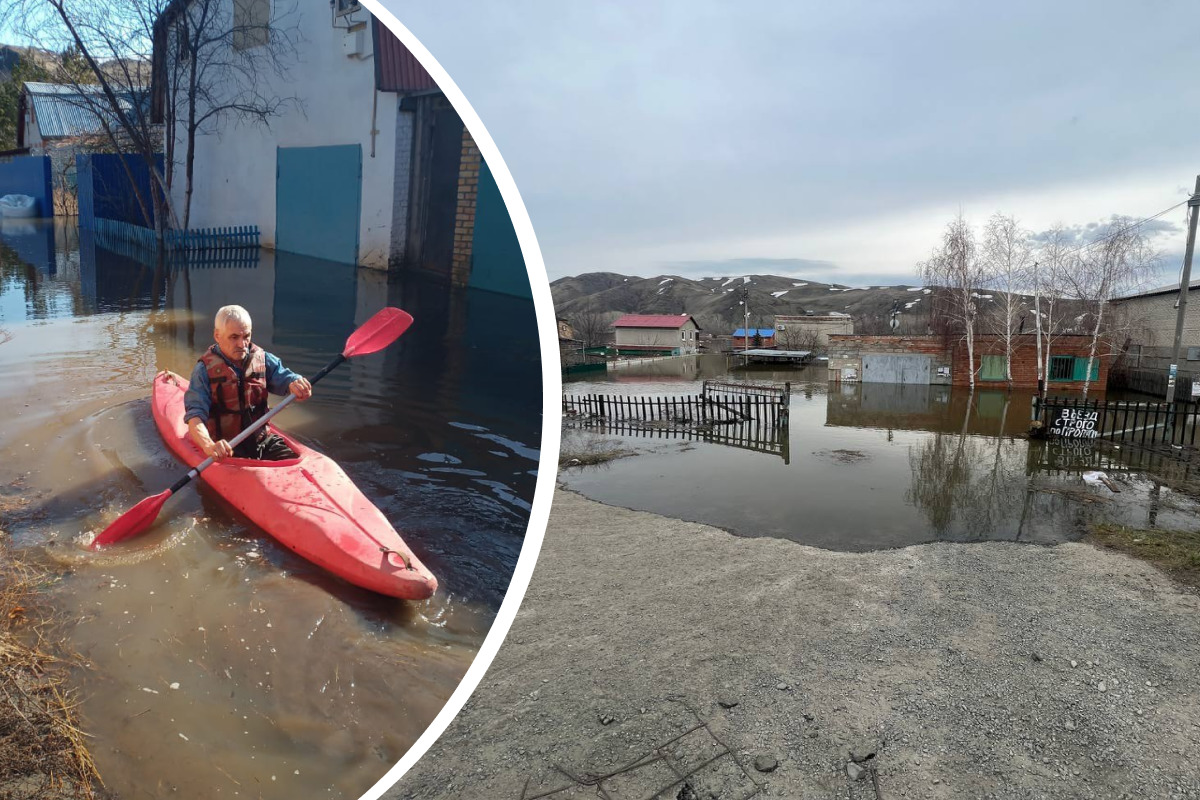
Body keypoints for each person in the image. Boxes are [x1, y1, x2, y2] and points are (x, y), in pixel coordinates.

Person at [183, 305, 313, 461]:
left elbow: (286, 378)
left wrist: (296, 383)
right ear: (217, 335)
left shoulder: (263, 359)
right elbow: (195, 417)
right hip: (225, 447)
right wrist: (209, 445)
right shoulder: (203, 371)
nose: (242, 344)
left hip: (262, 442)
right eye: (234, 337)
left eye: (246, 336)